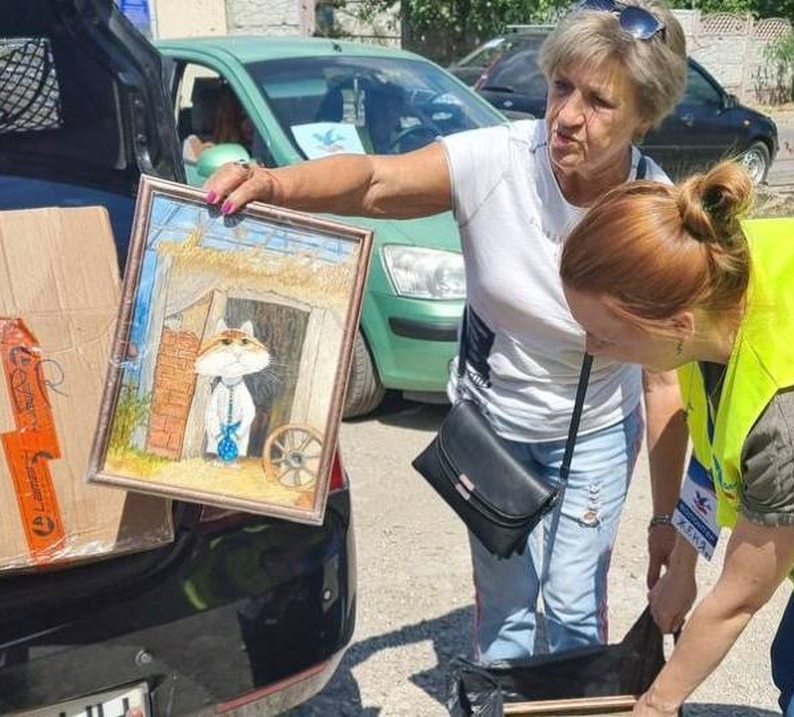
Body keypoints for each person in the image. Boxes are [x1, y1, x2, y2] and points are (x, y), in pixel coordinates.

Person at [204, 0, 691, 663]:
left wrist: (667, 521)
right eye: (560, 87)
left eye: (601, 101)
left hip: (595, 433)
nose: (568, 116)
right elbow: (375, 179)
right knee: (506, 605)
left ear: (646, 116)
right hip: (492, 429)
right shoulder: (499, 161)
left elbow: (664, 386)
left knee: (575, 602)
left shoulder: (653, 216)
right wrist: (276, 184)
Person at [558, 161, 794, 715]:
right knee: (790, 666)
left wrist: (655, 704)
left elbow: (739, 599)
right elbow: (717, 441)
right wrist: (682, 565)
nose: (591, 348)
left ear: (677, 328)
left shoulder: (792, 419)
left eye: (606, 335)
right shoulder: (713, 271)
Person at [184, 85, 255, 163]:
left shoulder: (261, 148)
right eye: (243, 116)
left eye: (253, 117)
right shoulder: (197, 146)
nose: (251, 124)